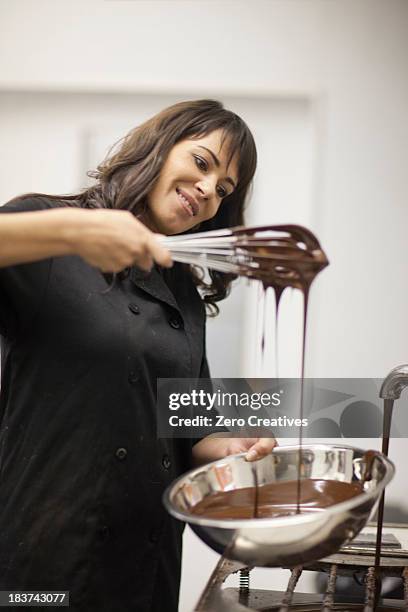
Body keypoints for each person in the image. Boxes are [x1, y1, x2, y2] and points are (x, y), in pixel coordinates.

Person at [0, 99, 276, 611]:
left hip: (144, 569)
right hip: (42, 557)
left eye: (224, 190)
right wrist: (72, 230)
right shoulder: (45, 227)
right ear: (159, 147)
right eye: (202, 162)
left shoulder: (186, 297)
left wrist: (228, 446)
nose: (208, 191)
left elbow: (189, 429)